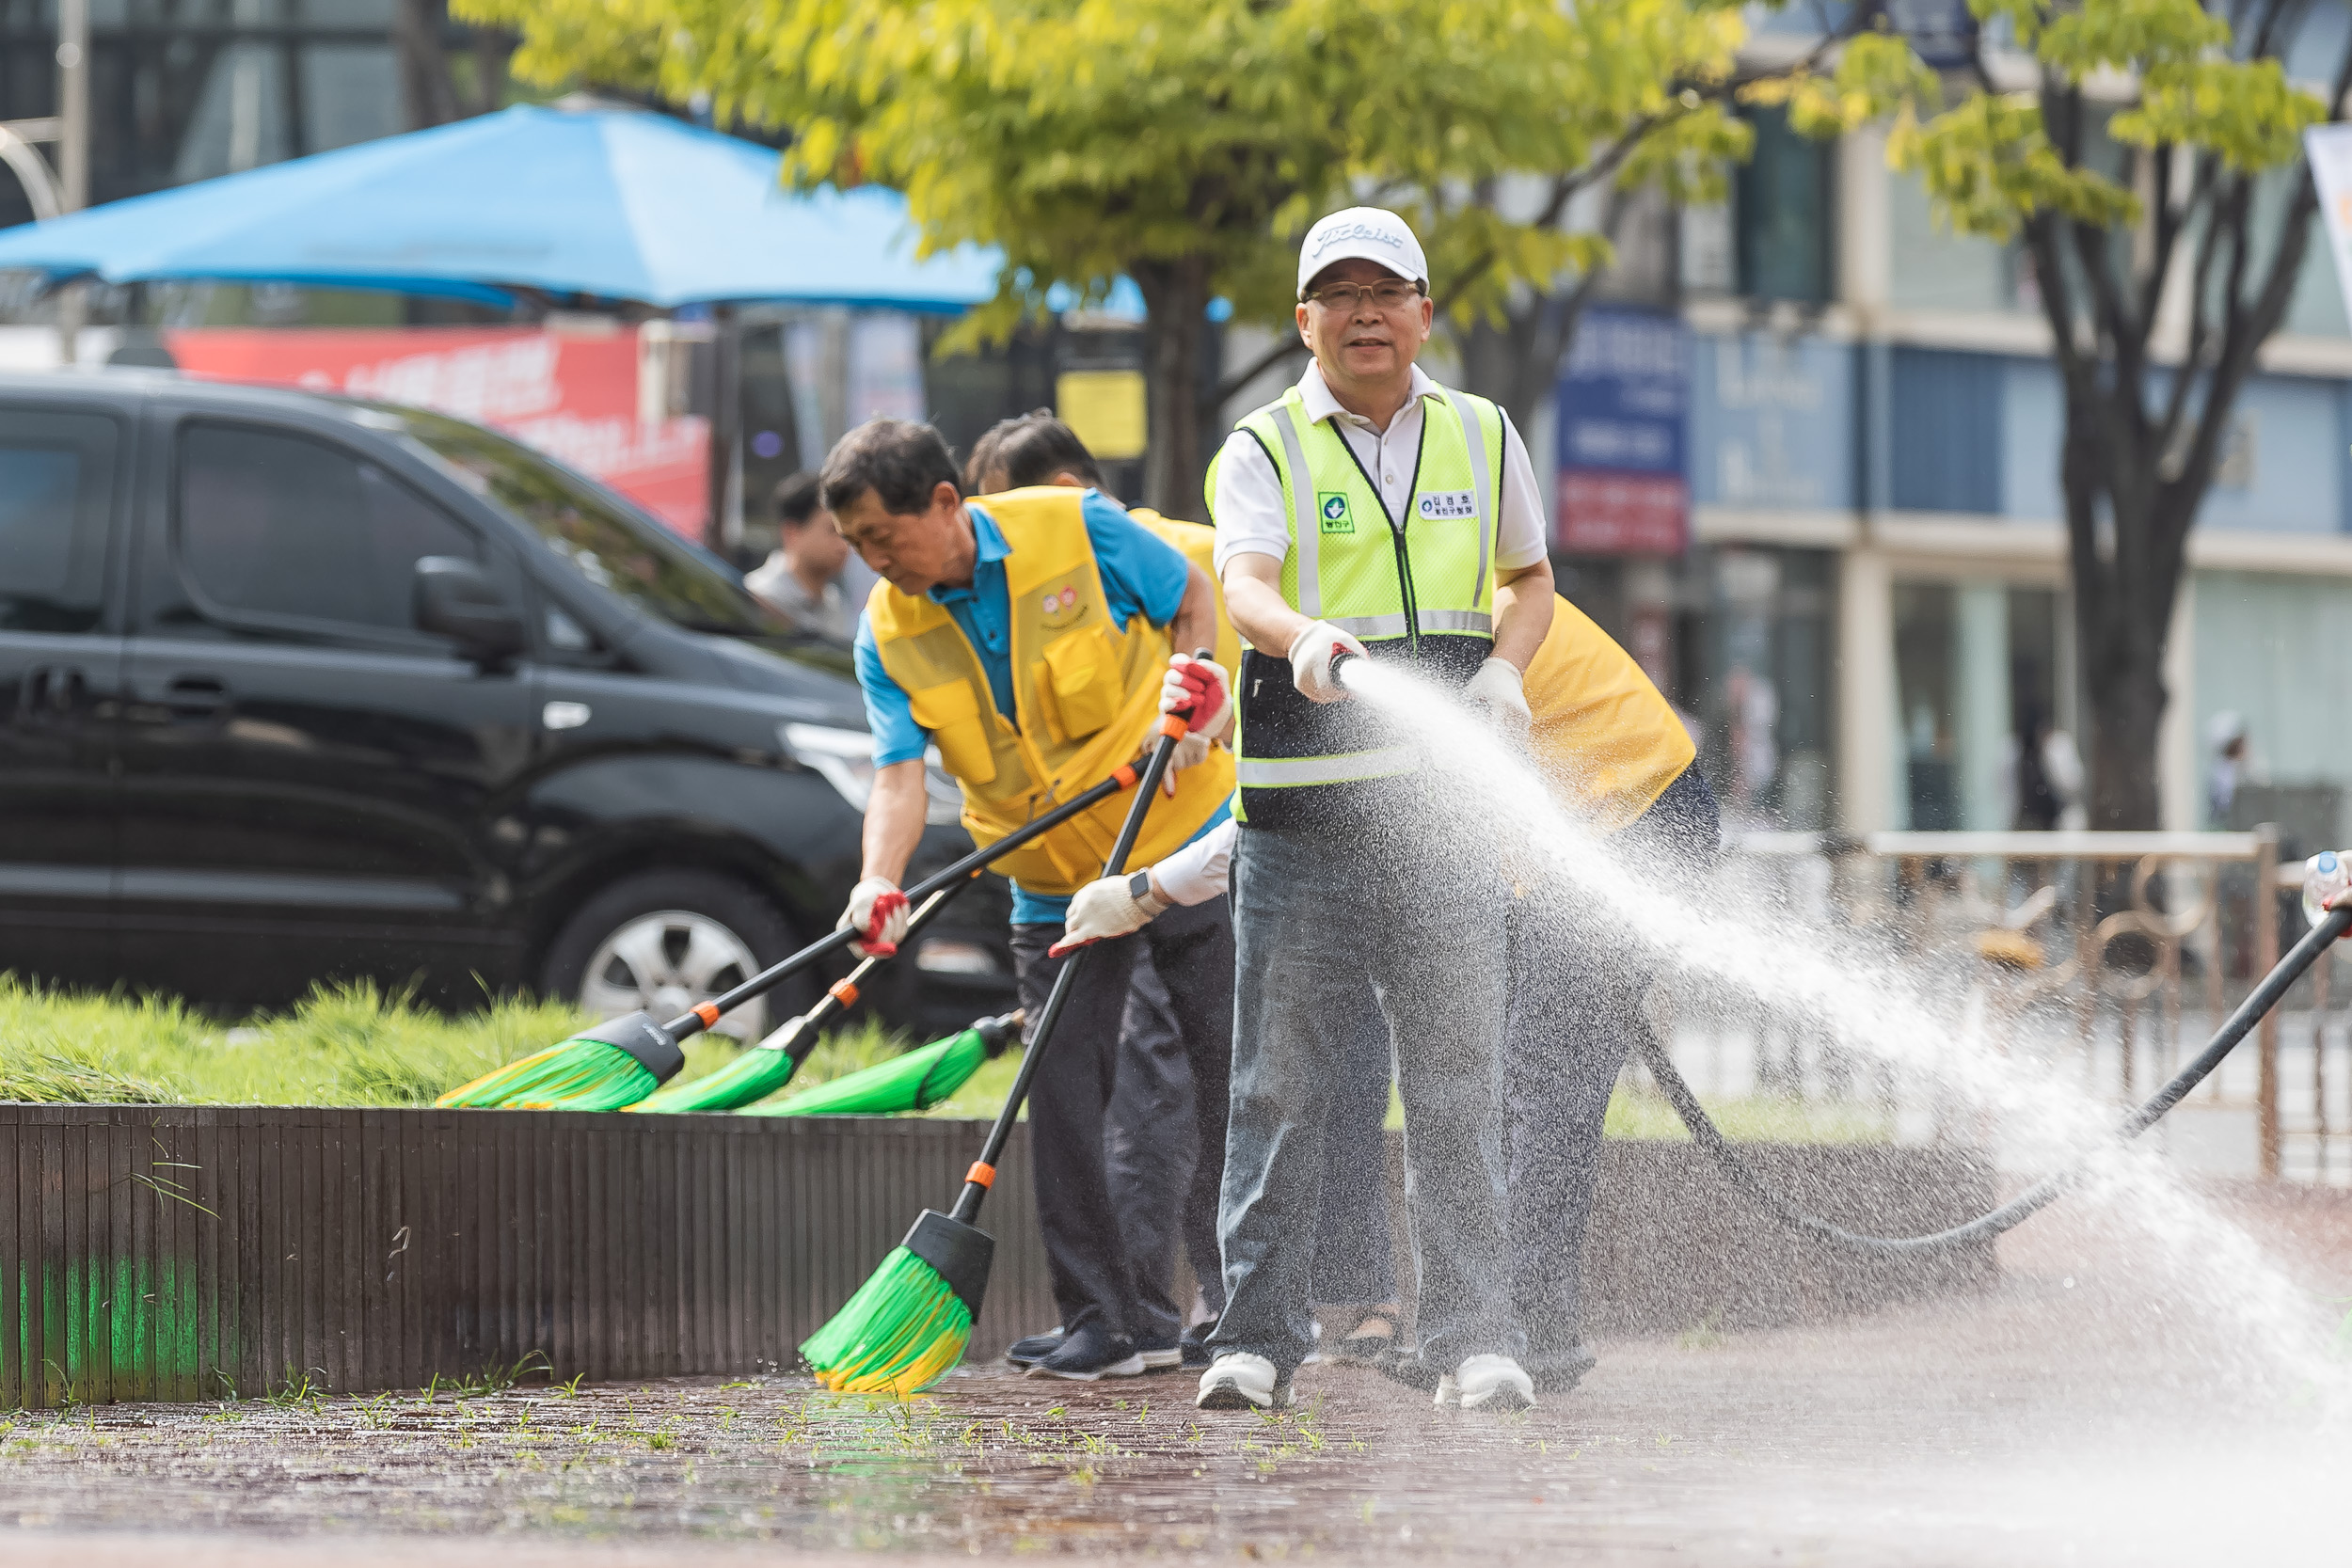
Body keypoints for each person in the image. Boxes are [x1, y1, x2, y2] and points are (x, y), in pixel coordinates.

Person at [1062, 591, 1711, 1398]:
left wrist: (1146, 891)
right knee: (1519, 1079)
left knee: (1537, 1086)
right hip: (1583, 820)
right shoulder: (1360, 609)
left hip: (1633, 810)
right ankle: (1509, 1327)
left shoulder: (1385, 625)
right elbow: (1292, 810)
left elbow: (1285, 831)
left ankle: (1527, 1334)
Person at [1193, 206, 1556, 1415]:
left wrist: (1505, 667)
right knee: (1276, 1092)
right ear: (1303, 321)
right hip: (1300, 831)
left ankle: (1472, 1340)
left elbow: (1530, 576)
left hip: (1443, 831)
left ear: (1423, 311)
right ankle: (1251, 1341)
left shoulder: (1484, 434)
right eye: (1336, 294)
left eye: (1384, 290)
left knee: (1458, 1090)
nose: (1362, 313)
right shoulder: (1262, 445)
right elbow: (1242, 580)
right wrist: (1302, 637)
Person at [822, 417, 1235, 1382]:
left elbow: (1191, 597)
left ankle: (1240, 1305)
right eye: (856, 548)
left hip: (1172, 842)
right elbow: (897, 775)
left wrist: (1193, 695)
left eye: (884, 535)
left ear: (944, 503)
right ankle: (1108, 1321)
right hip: (1050, 884)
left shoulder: (1074, 527)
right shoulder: (887, 629)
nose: (876, 562)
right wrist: (878, 881)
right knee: (1060, 1096)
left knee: (1225, 1076)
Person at [964, 410, 1243, 1370]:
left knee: (1210, 1072)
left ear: (1072, 495)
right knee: (1122, 1088)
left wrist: (1201, 718)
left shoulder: (1185, 565)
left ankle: (1224, 1299)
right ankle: (1131, 1316)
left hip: (1200, 859)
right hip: (1080, 881)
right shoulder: (1007, 600)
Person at [744, 472, 877, 641]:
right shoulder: (758, 598)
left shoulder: (834, 603)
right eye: (832, 531)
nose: (844, 546)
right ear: (792, 533)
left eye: (847, 534)